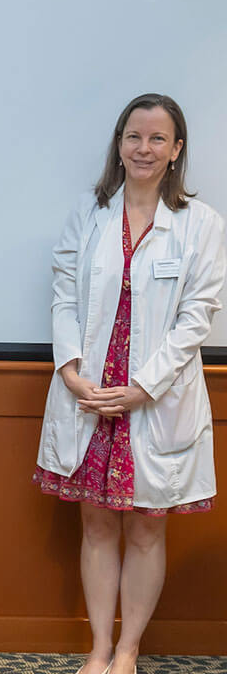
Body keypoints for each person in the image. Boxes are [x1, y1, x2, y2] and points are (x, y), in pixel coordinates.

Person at [34, 93, 223, 674]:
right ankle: (97, 648)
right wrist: (69, 369)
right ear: (119, 144)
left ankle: (127, 650)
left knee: (146, 526)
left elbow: (198, 315)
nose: (144, 148)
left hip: (152, 396)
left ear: (177, 150)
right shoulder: (89, 214)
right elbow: (63, 292)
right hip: (90, 393)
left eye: (157, 138)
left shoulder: (201, 223)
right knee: (95, 522)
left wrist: (143, 386)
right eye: (134, 137)